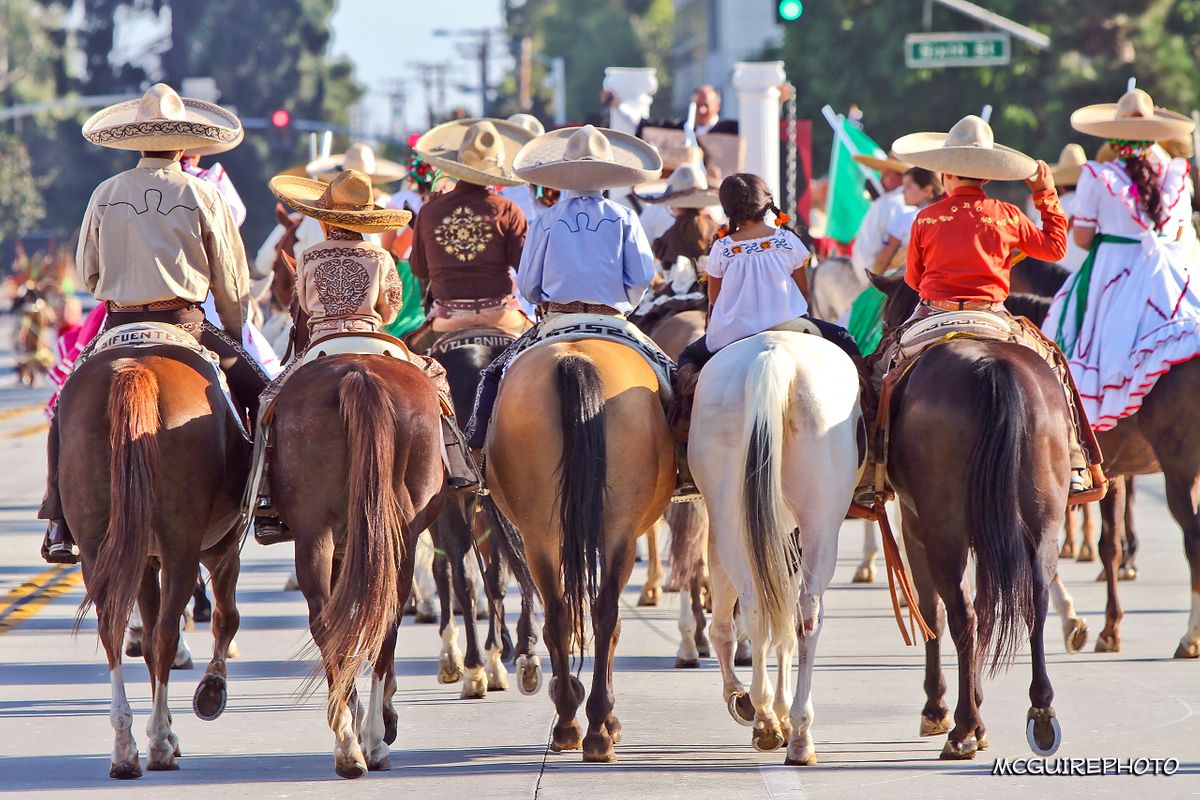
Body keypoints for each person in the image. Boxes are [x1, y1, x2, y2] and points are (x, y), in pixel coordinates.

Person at [40, 83, 274, 563]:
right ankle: (271, 497)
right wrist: (233, 326)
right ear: (185, 145)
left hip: (117, 325)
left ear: (135, 142)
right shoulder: (202, 194)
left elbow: (89, 272)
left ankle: (60, 518)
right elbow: (231, 279)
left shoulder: (106, 192)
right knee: (263, 395)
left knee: (66, 407)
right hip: (186, 324)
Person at [257, 169, 480, 544]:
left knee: (268, 403)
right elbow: (390, 312)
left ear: (326, 221)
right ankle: (459, 467)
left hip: (323, 344)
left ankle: (263, 491)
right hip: (375, 341)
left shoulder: (309, 256)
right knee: (436, 383)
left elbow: (305, 309)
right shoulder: (380, 256)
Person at [890, 113, 1104, 501]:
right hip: (994, 316)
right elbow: (1055, 247)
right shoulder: (1007, 214)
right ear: (986, 177)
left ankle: (872, 466)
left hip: (934, 313)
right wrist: (1045, 194)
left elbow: (913, 280)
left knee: (883, 373)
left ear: (944, 174)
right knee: (1054, 366)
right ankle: (1075, 461)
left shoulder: (926, 217)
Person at [465, 124, 663, 451]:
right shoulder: (625, 217)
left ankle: (478, 452)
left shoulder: (546, 218)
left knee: (494, 374)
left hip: (558, 318)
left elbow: (529, 284)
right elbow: (642, 277)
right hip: (612, 319)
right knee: (668, 376)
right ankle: (679, 461)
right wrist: (623, 305)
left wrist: (545, 300)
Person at [1042, 89, 1200, 434]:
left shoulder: (1099, 175)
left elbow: (1082, 238)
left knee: (1069, 333)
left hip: (1114, 270)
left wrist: (1114, 232)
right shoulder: (1176, 172)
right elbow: (1175, 235)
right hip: (1166, 270)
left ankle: (1077, 440)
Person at [672, 174, 863, 432]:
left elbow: (715, 299)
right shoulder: (787, 241)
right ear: (766, 204)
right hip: (790, 325)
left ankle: (684, 420)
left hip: (733, 333)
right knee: (843, 336)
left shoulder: (723, 247)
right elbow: (803, 290)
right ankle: (869, 406)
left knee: (688, 355)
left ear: (728, 209)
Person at [408, 119, 536, 347]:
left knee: (412, 363)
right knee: (540, 345)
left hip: (448, 318)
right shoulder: (508, 210)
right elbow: (526, 272)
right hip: (501, 315)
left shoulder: (429, 211)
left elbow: (419, 269)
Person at [849, 151, 912, 275]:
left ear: (901, 177)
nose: (882, 180)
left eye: (887, 174)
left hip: (881, 279)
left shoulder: (888, 203)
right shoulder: (912, 203)